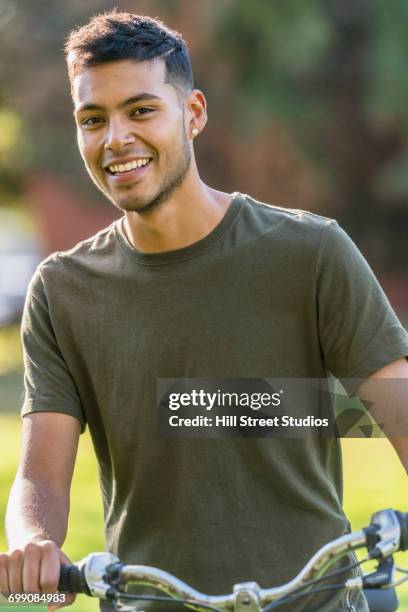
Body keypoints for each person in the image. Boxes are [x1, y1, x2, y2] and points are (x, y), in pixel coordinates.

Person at [1, 10, 408, 612]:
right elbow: (42, 474)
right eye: (93, 119)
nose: (115, 138)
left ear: (192, 114)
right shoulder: (63, 290)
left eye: (141, 110)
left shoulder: (312, 253)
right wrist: (34, 541)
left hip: (313, 601)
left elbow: (398, 408)